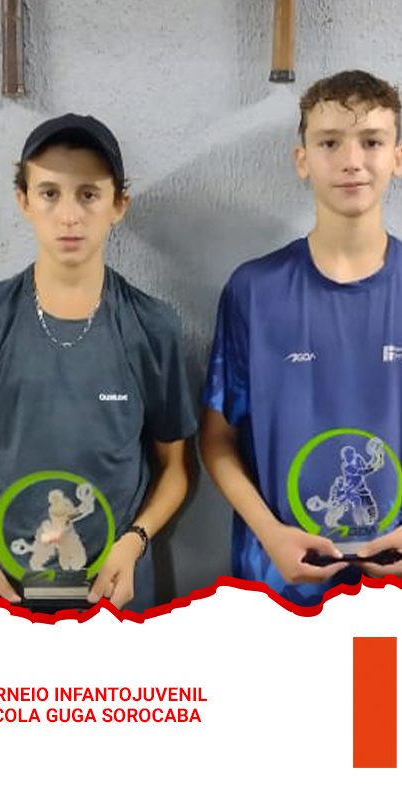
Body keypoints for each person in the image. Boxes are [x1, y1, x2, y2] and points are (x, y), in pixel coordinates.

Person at [0, 113, 197, 612]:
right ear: (24, 201)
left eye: (88, 194)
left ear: (118, 205)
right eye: (50, 193)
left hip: (111, 600)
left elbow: (176, 467)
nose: (69, 215)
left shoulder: (152, 326)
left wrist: (135, 541)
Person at [201, 70, 402, 606]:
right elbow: (217, 438)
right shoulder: (253, 290)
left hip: (392, 596)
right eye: (330, 142)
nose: (352, 160)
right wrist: (269, 533)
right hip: (279, 584)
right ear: (302, 160)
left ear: (397, 158)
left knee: (376, 670)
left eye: (372, 142)